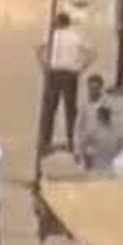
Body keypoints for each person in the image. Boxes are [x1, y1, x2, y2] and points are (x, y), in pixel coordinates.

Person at [38, 11, 96, 153]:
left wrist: (44, 65)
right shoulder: (75, 36)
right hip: (70, 74)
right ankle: (72, 140)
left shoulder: (51, 35)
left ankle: (45, 142)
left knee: (50, 109)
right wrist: (82, 67)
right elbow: (92, 53)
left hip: (54, 73)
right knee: (70, 109)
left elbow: (38, 49)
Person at [79, 103, 121, 173]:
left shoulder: (93, 133)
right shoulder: (116, 132)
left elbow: (82, 149)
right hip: (112, 170)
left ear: (99, 116)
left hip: (97, 170)